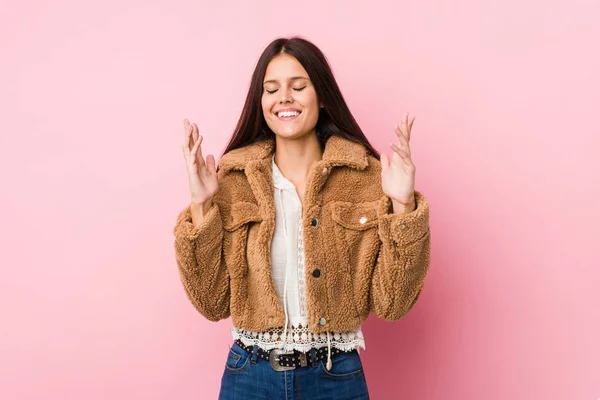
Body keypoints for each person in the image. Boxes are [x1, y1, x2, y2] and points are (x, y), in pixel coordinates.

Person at [174, 36, 431, 400]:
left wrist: (403, 205)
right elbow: (211, 301)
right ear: (260, 101)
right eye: (271, 89)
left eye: (299, 86)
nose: (284, 98)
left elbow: (393, 303)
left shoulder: (368, 179)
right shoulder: (232, 181)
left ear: (322, 96)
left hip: (336, 377)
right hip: (250, 377)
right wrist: (201, 206)